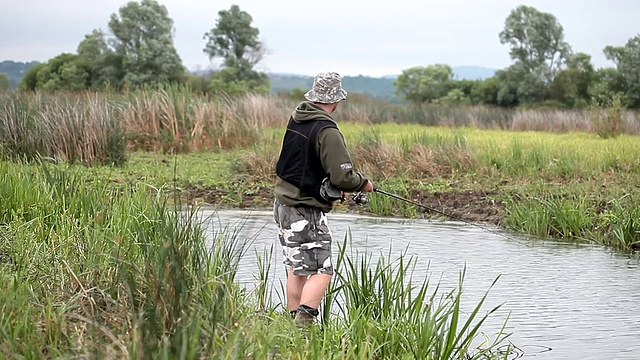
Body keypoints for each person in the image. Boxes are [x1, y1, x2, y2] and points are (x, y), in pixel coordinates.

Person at [273, 71, 374, 324]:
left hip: (283, 204)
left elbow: (304, 166)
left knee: (298, 269)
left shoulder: (297, 119)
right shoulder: (327, 129)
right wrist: (363, 183)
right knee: (321, 270)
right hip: (304, 210)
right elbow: (342, 177)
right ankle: (303, 328)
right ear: (336, 100)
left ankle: (291, 326)